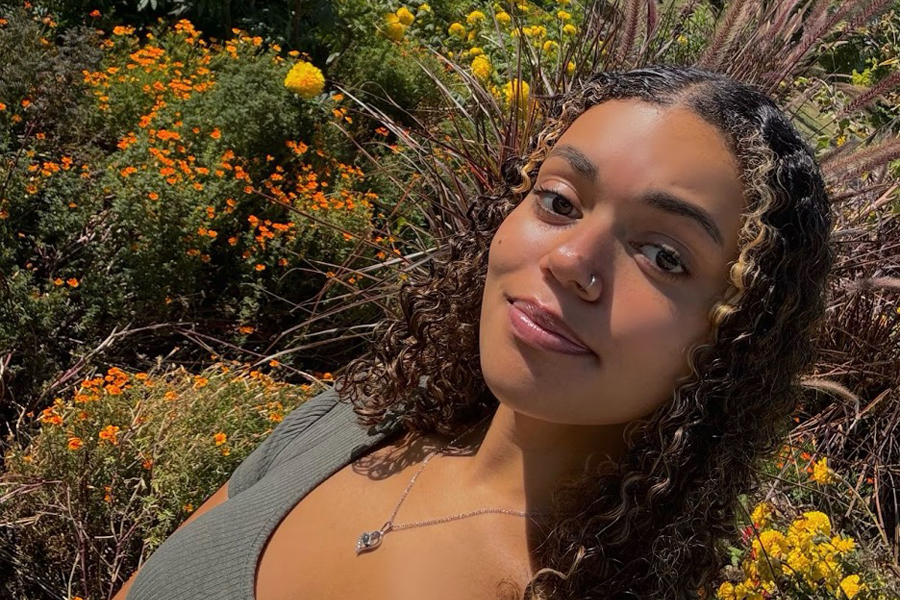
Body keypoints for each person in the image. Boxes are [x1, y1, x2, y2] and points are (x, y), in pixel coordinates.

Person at [113, 65, 833, 600]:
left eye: (664, 256)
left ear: (738, 335)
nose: (570, 260)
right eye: (557, 200)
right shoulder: (347, 426)